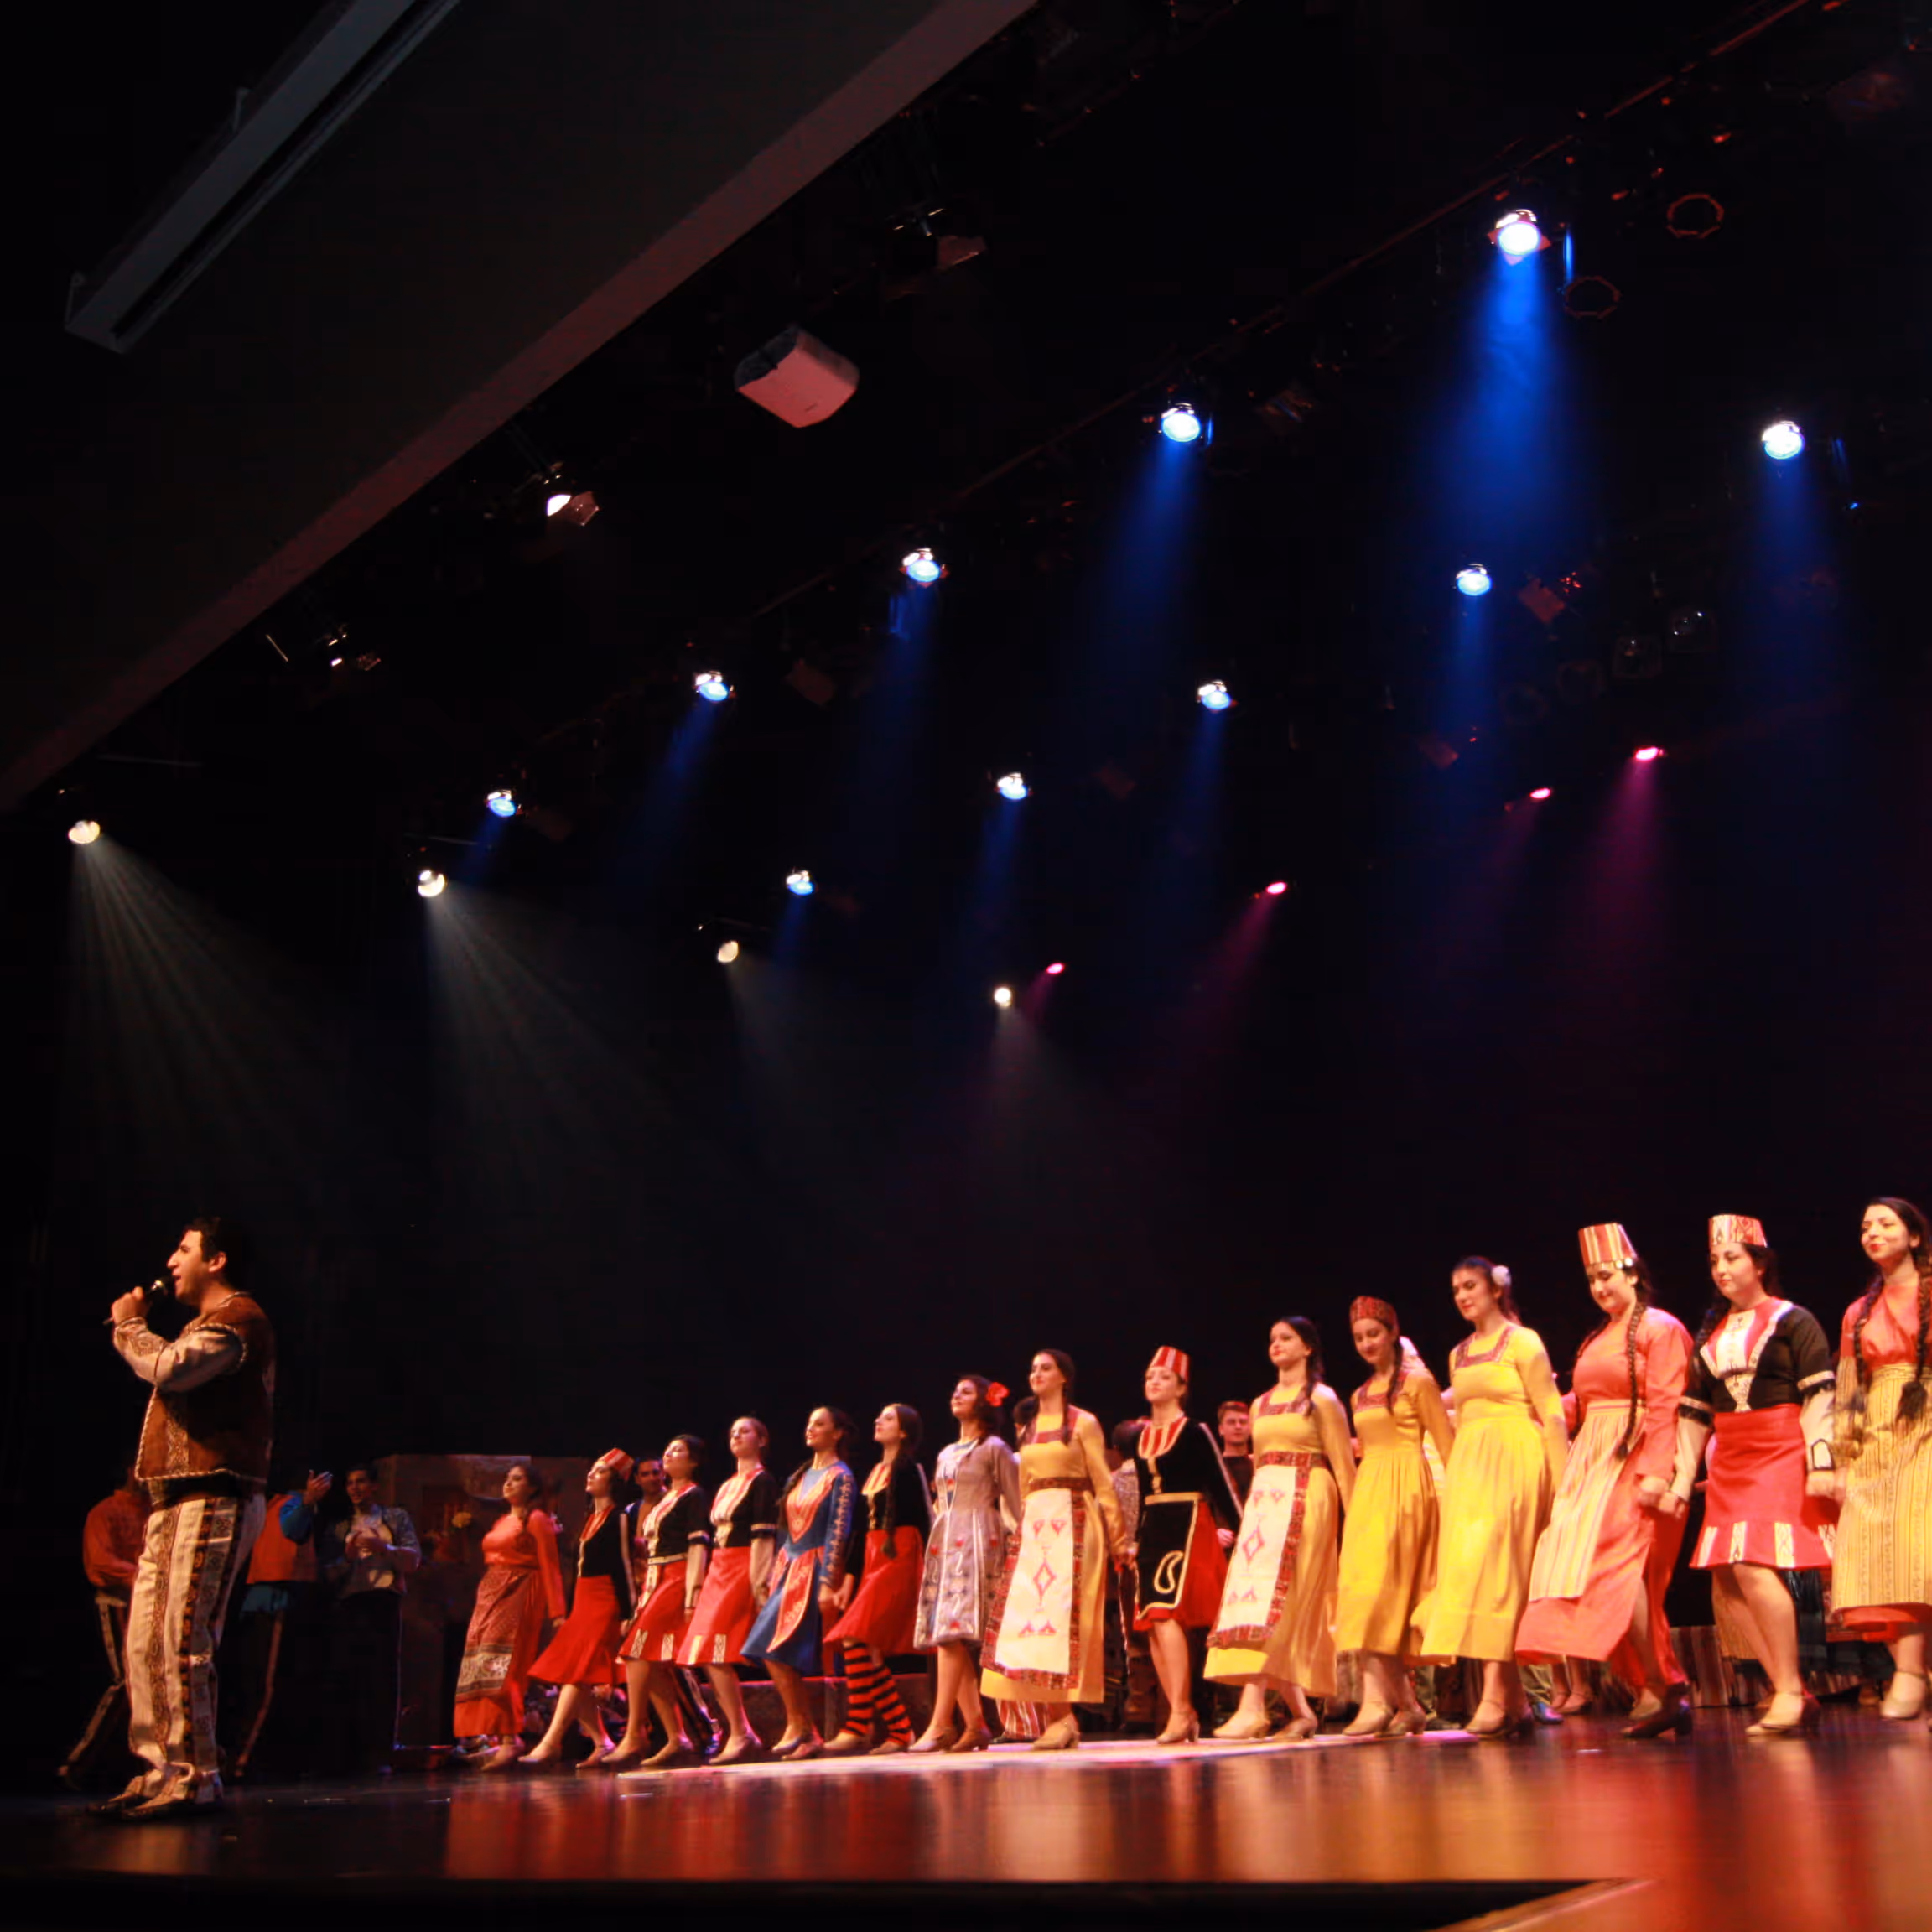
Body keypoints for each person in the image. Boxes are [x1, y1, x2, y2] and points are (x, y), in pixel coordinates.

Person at [97, 1217, 273, 1819]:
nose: (172, 1260)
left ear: (217, 1260)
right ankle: (161, 1768)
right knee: (146, 1638)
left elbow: (172, 1366)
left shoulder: (240, 1320)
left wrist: (129, 1326)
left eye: (184, 1249)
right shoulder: (206, 1323)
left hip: (215, 1494)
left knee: (181, 1638)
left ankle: (197, 1774)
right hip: (174, 1499)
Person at [1517, 1225, 1695, 1738]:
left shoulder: (1660, 1328)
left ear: (1632, 1274)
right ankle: (1652, 1684)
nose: (1598, 1287)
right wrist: (1527, 1412)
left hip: (1633, 1455)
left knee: (1622, 1568)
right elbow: (1583, 1402)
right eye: (1591, 1279)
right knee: (1593, 1571)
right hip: (1591, 1463)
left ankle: (1663, 1682)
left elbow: (1667, 1402)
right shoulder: (1596, 1337)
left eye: (1606, 1276)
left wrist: (1657, 1472)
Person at [1665, 1214, 1836, 1738]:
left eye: (1732, 1258)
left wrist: (1821, 1461)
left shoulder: (1793, 1320)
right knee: (1727, 1574)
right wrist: (1680, 1482)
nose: (1721, 1268)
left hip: (1779, 1448)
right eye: (1715, 1261)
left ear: (1759, 1264)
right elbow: (1694, 1413)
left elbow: (1819, 1395)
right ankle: (1789, 1687)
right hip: (1731, 1457)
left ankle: (1788, 1691)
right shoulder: (1713, 1334)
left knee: (1753, 1564)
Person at [1420, 1258, 1568, 1739]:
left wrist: (1564, 1481)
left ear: (1496, 1290)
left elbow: (1551, 1413)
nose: (1463, 1296)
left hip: (1517, 1459)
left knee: (1500, 1574)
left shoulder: (1523, 1341)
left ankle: (1492, 1697)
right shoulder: (1458, 1354)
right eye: (1456, 1289)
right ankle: (1517, 1700)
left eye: (1471, 1286)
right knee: (1473, 1572)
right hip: (1471, 1467)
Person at [1207, 1318, 1355, 1742]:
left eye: (1286, 1338)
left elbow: (1343, 1465)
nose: (1277, 1344)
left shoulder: (1321, 1399)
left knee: (1285, 1598)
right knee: (1257, 1600)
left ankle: (1252, 1707)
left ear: (1308, 1347)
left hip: (1308, 1494)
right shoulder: (1260, 1404)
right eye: (1272, 1338)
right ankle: (1301, 1713)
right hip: (1266, 1505)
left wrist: (1357, 1525)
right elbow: (1258, 1463)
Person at [981, 1350, 1126, 1750]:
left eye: (1046, 1368)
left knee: (1063, 1620)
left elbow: (1103, 1482)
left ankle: (1064, 1716)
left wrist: (1118, 1539)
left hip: (1074, 1520)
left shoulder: (1083, 1422)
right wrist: (1021, 1532)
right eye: (1033, 1368)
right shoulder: (1028, 1427)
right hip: (1036, 1527)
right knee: (1032, 1622)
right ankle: (1058, 1718)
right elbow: (1024, 1486)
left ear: (1064, 1377)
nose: (1037, 1374)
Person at [1831, 1197, 1931, 1723]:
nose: (1872, 1232)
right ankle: (1911, 1669)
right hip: (1877, 1435)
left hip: (1926, 1421)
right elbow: (1849, 1390)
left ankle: (1913, 1673)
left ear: (1913, 1236)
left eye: (1885, 1224)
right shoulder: (1859, 1312)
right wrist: (1843, 1458)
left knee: (1919, 1546)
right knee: (1880, 1552)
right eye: (1866, 1226)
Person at [1334, 1297, 1453, 1737]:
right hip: (1370, 1493)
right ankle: (1406, 1705)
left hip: (1407, 1492)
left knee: (1384, 1600)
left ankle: (1383, 1702)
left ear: (1391, 1334)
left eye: (1374, 1334)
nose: (1367, 1343)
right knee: (1360, 1595)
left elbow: (1446, 1444)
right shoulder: (1358, 1394)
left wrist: (1458, 1504)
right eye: (1359, 1338)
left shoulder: (1417, 1383)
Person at [1128, 1348, 1243, 1745]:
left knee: (1166, 1613)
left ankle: (1181, 1708)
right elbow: (1142, 1493)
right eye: (1150, 1376)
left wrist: (1244, 1532)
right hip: (1153, 1528)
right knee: (1151, 1621)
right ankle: (1182, 1711)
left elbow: (1222, 1486)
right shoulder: (1141, 1437)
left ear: (1181, 1387)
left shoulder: (1194, 1431)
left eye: (1163, 1377)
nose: (1154, 1382)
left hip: (1187, 1522)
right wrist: (1135, 1540)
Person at [911, 1377, 1021, 1753]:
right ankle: (974, 1724)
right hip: (947, 1540)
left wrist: (1020, 1546)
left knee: (951, 1633)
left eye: (967, 1391)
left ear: (984, 1403)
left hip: (979, 1539)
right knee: (947, 1632)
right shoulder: (946, 1453)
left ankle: (942, 1723)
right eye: (955, 1390)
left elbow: (1015, 1503)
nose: (957, 1395)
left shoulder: (995, 1448)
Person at [743, 1408, 858, 1761]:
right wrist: (772, 1574)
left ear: (837, 1433)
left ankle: (803, 1728)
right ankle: (802, 1726)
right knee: (767, 1646)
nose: (811, 1428)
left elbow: (839, 1531)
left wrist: (827, 1581)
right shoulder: (801, 1475)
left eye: (819, 1424)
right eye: (809, 1423)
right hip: (788, 1569)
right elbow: (784, 1528)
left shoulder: (841, 1477)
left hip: (815, 1568)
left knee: (776, 1646)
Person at [826, 1405, 932, 1755]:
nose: (878, 1421)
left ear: (903, 1432)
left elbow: (924, 1520)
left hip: (898, 1555)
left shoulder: (908, 1469)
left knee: (854, 1634)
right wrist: (849, 1578)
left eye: (888, 1419)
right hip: (874, 1558)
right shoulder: (875, 1472)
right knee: (864, 1646)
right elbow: (859, 1531)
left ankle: (859, 1725)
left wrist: (930, 1570)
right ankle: (899, 1729)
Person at [524, 1450, 638, 1767]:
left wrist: (628, 1612)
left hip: (605, 1600)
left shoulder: (619, 1517)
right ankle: (602, 1742)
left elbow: (624, 1566)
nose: (591, 1475)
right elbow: (578, 1571)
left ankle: (551, 1742)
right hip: (584, 1602)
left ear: (613, 1481)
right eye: (592, 1470)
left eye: (600, 1472)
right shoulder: (590, 1519)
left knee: (578, 1672)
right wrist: (571, 1609)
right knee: (576, 1675)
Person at [605, 1435, 712, 1771]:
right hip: (655, 1579)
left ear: (693, 1462)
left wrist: (693, 1593)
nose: (669, 1455)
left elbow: (698, 1545)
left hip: (677, 1577)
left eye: (678, 1451)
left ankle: (636, 1732)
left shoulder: (692, 1495)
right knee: (649, 1659)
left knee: (636, 1652)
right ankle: (676, 1736)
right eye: (668, 1450)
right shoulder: (666, 1501)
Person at [678, 1416, 779, 1764]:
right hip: (719, 1568)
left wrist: (760, 1584)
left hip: (742, 1566)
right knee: (704, 1652)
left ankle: (741, 1733)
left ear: (762, 1440)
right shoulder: (727, 1485)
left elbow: (763, 1536)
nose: (736, 1435)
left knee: (716, 1651)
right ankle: (741, 1730)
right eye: (733, 1431)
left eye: (745, 1431)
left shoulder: (763, 1481)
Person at [452, 1463, 564, 1769]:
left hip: (519, 1591)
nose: (508, 1484)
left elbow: (550, 1564)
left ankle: (509, 1739)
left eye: (517, 1479)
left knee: (504, 1667)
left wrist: (557, 1613)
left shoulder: (537, 1519)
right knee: (481, 1664)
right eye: (507, 1479)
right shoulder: (502, 1520)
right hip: (491, 1593)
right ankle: (491, 1736)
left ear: (532, 1488)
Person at [313, 1463, 422, 1774]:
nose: (355, 1488)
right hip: (350, 1604)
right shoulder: (340, 1526)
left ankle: (379, 1752)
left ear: (374, 1486)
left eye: (361, 1482)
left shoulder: (395, 1517)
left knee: (382, 1678)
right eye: (350, 1483)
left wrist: (383, 1548)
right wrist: (347, 1559)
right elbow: (326, 1572)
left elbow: (413, 1560)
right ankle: (345, 1754)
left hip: (383, 1601)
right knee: (348, 1677)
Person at [221, 1467, 329, 1781]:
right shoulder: (286, 1503)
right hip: (273, 1600)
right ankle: (244, 1760)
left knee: (262, 1684)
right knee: (264, 1687)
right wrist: (308, 1501)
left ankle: (257, 1759)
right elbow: (292, 1529)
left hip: (266, 1600)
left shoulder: (270, 1504)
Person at [58, 1465, 148, 1791]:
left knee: (146, 1683)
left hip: (147, 1605)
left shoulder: (152, 1513)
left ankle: (143, 1764)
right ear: (130, 1471)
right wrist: (142, 1575)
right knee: (126, 1680)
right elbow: (100, 1562)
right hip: (117, 1603)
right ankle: (78, 1764)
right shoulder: (106, 1512)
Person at [1217, 1400, 1255, 1504]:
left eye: (1243, 1422)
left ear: (1250, 1428)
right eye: (1231, 1422)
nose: (1238, 1426)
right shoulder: (1216, 1468)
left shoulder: (1258, 1466)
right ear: (1221, 1429)